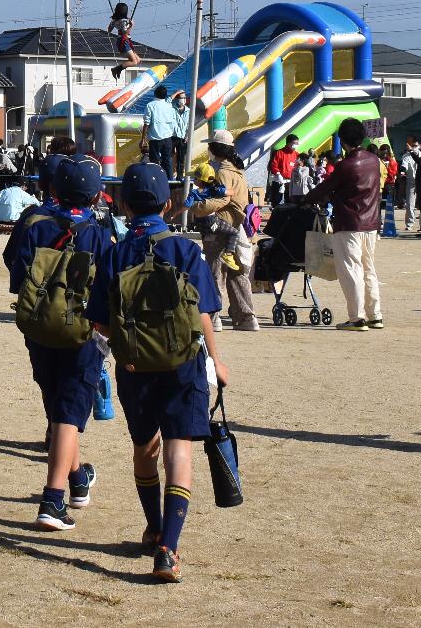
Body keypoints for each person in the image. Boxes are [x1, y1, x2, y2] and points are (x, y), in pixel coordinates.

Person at [87, 162, 226, 585]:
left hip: (135, 367)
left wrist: (123, 348)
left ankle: (152, 526)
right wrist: (216, 361)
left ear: (124, 204)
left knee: (145, 448)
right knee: (178, 450)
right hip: (182, 363)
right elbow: (203, 312)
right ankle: (169, 546)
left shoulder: (115, 252)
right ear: (169, 203)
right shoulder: (185, 249)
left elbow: (100, 321)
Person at [3, 154, 116, 530]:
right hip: (83, 330)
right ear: (97, 195)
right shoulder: (100, 233)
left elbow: (15, 269)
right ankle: (52, 500)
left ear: (53, 188)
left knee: (58, 405)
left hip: (38, 327)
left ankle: (79, 479)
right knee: (69, 412)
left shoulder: (34, 223)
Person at [302, 118, 383, 330]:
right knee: (368, 269)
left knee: (351, 270)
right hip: (371, 223)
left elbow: (324, 189)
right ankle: (375, 314)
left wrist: (304, 199)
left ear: (343, 140)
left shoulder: (346, 165)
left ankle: (356, 318)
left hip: (349, 223)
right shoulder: (374, 160)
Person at [187, 130, 259, 332]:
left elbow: (222, 199)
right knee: (238, 273)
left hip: (218, 226)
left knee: (214, 272)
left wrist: (198, 208)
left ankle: (213, 316)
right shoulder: (238, 171)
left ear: (215, 149)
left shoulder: (221, 173)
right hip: (236, 227)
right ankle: (246, 317)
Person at [143, 85, 184, 179]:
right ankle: (169, 180)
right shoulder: (169, 105)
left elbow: (146, 123)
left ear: (155, 94)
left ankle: (156, 179)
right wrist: (177, 92)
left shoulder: (150, 105)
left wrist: (143, 138)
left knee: (155, 162)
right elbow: (170, 99)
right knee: (167, 161)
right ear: (165, 95)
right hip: (167, 139)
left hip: (155, 139)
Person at [108, 1, 140, 71]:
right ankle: (116, 69)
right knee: (134, 62)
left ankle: (117, 69)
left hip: (123, 40)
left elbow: (109, 30)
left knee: (138, 59)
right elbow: (125, 32)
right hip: (124, 41)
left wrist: (114, 21)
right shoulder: (123, 21)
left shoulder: (114, 20)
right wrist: (131, 25)